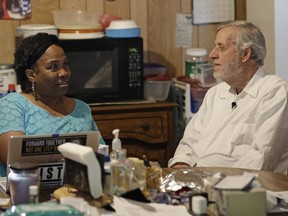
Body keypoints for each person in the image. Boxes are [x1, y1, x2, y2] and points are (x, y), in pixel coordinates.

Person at [168, 20, 288, 174]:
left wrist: (211, 183)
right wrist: (181, 170)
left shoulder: (274, 92)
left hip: (241, 191)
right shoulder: (215, 94)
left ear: (245, 54)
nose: (212, 54)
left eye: (221, 47)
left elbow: (261, 159)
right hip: (197, 184)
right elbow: (188, 144)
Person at [0, 33, 105, 176]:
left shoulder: (82, 108)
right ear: (31, 75)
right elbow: (15, 161)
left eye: (65, 65)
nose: (64, 73)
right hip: (28, 193)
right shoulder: (13, 105)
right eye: (53, 67)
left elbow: (102, 156)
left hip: (77, 193)